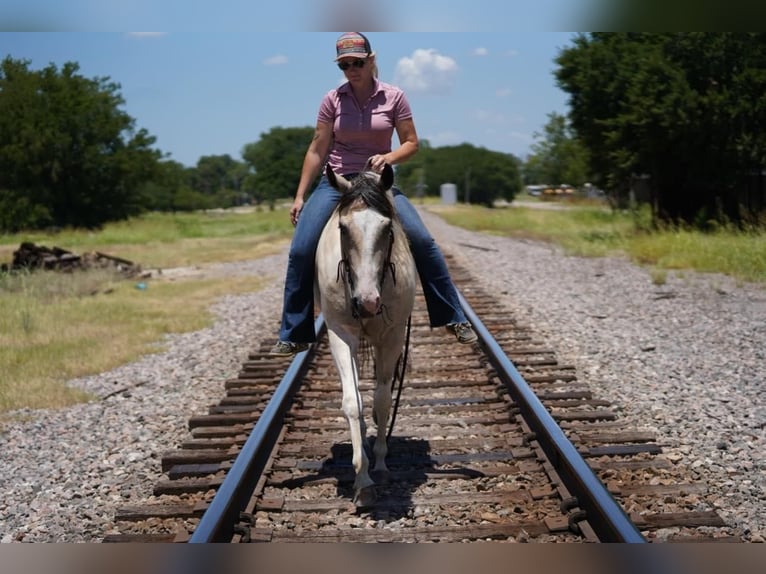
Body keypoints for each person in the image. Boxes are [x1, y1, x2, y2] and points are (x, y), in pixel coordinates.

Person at [270, 32, 477, 356]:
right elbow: (317, 148)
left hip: (379, 182)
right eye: (345, 65)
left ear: (371, 60)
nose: (352, 69)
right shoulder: (332, 99)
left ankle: (453, 316)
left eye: (358, 62)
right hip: (337, 182)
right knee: (301, 248)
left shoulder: (394, 97)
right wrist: (299, 196)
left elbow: (411, 142)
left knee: (422, 240)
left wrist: (390, 158)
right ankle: (294, 331)